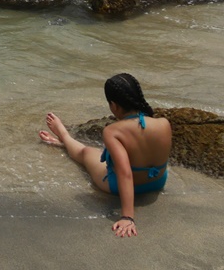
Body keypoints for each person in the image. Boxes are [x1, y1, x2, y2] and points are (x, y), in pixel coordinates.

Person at [38, 72, 171, 237]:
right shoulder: (164, 123)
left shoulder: (112, 131)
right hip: (157, 182)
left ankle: (64, 136)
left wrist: (127, 216)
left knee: (86, 152)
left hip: (119, 186)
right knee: (106, 153)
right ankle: (64, 142)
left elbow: (124, 173)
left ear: (114, 105)